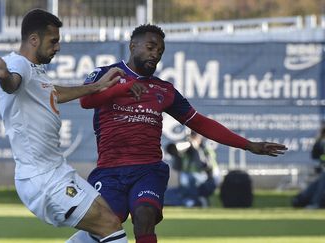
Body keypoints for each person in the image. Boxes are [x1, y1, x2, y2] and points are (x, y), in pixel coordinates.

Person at [74, 24, 288, 243]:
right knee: (106, 225)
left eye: (160, 51)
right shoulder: (106, 74)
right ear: (132, 45)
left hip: (147, 169)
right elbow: (86, 101)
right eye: (150, 47)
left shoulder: (164, 90)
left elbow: (200, 123)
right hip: (110, 170)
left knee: (144, 215)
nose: (155, 54)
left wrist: (247, 144)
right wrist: (121, 88)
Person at [0, 9, 128, 243]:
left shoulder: (36, 71)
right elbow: (13, 83)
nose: (58, 47)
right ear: (34, 40)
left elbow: (54, 92)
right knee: (109, 227)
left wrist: (96, 87)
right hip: (41, 178)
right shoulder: (18, 64)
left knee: (109, 222)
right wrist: (4, 76)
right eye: (53, 41)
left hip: (57, 170)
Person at [164, 131, 219, 207]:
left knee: (190, 178)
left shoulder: (205, 149)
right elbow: (176, 168)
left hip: (208, 179)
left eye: (194, 137)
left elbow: (205, 166)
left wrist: (196, 150)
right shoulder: (185, 152)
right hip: (190, 179)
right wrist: (177, 155)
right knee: (185, 179)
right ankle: (189, 201)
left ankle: (193, 201)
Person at [292, 126, 325, 209]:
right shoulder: (320, 143)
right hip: (321, 171)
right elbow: (315, 156)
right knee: (318, 184)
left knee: (322, 182)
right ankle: (301, 200)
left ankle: (316, 203)